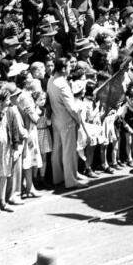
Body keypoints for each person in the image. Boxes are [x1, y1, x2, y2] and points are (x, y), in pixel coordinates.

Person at [47, 57, 89, 189]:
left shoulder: (51, 80)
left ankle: (58, 177)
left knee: (57, 150)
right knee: (68, 151)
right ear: (63, 68)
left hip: (56, 119)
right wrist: (78, 120)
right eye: (69, 67)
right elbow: (72, 107)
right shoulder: (62, 83)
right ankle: (71, 180)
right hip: (66, 120)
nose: (71, 68)